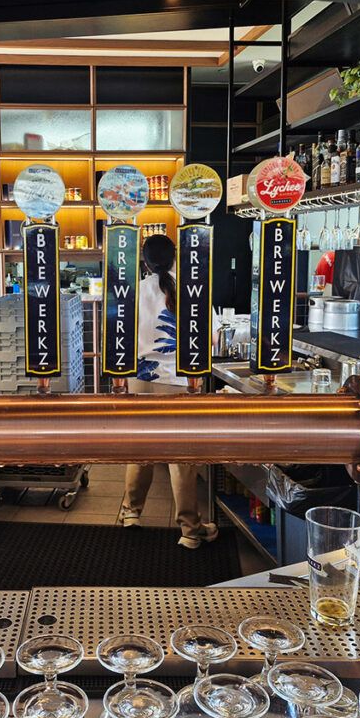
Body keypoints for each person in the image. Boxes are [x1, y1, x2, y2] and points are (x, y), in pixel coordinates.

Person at [118, 234, 218, 549]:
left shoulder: (134, 290)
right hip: (177, 383)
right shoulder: (192, 289)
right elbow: (212, 340)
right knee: (180, 457)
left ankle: (131, 513)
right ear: (176, 257)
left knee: (140, 449)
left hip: (139, 380)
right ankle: (189, 530)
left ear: (145, 262)